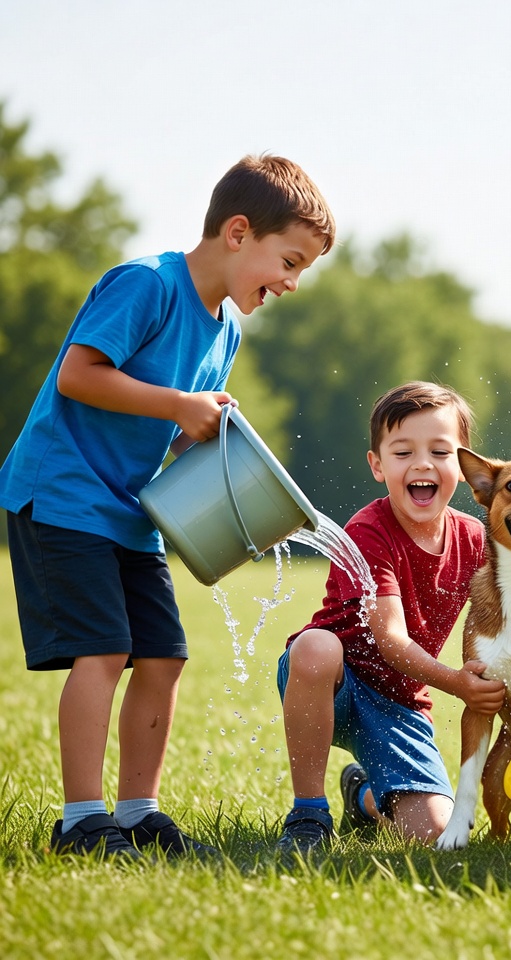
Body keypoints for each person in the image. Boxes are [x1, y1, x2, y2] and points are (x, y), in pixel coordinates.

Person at [0, 154, 335, 858]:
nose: (293, 284)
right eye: (290, 261)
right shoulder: (146, 285)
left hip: (129, 509)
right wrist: (181, 404)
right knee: (105, 647)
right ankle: (81, 820)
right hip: (62, 493)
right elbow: (79, 375)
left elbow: (173, 431)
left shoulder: (227, 331)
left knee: (164, 656)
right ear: (239, 232)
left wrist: (210, 447)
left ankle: (135, 812)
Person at [276, 381, 505, 854]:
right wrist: (459, 683)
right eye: (403, 453)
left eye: (440, 451)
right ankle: (308, 812)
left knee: (437, 836)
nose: (422, 464)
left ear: (462, 466)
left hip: (400, 702)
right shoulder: (367, 530)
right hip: (333, 683)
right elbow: (391, 641)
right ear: (378, 465)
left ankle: (363, 795)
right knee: (317, 645)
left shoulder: (475, 538)